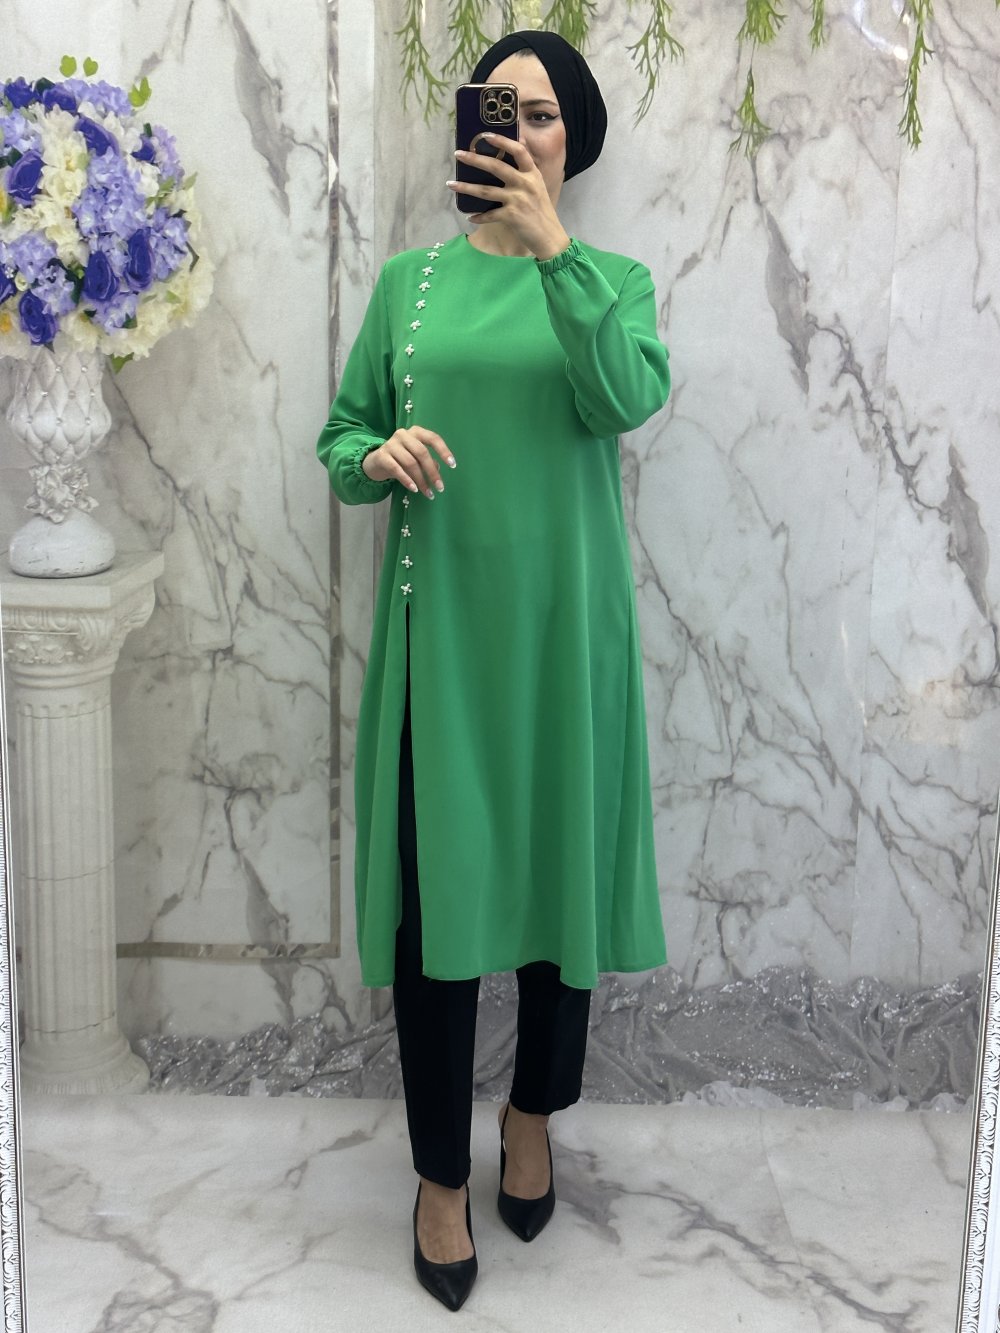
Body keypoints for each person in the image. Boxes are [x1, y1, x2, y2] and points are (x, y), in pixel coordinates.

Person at [317, 29, 670, 1313]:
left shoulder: (611, 280)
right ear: (468, 127)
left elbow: (624, 397)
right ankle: (437, 1178)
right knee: (438, 922)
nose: (520, 131)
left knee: (558, 899)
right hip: (444, 645)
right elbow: (341, 435)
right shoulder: (407, 285)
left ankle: (531, 1117)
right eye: (499, 109)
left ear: (575, 138)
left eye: (543, 113)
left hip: (567, 643)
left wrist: (553, 251)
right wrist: (376, 456)